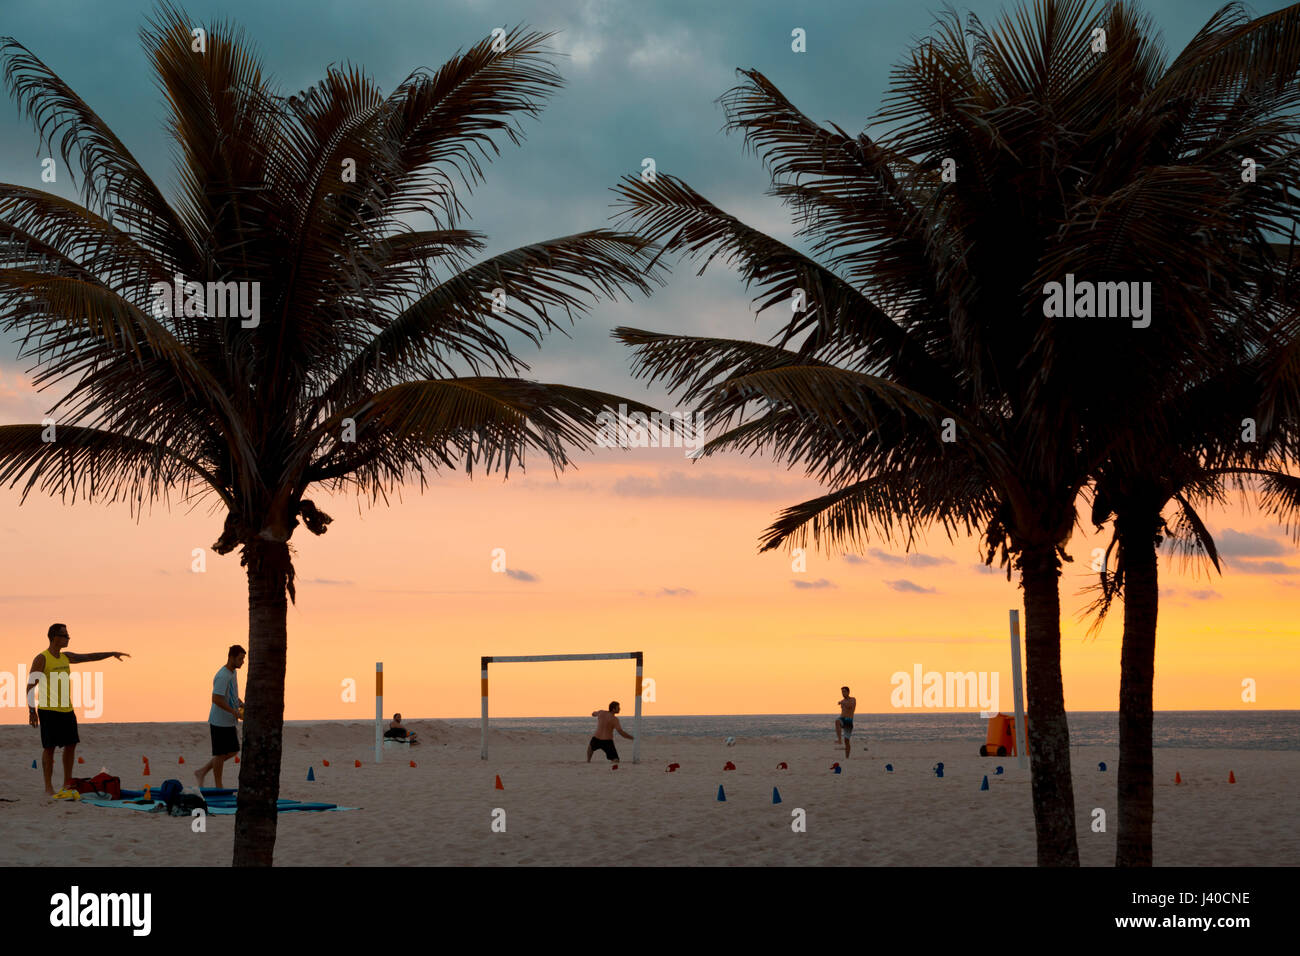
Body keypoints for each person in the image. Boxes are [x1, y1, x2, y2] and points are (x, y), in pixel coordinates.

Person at [26, 623, 129, 795]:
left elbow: (89, 656)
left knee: (71, 745)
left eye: (68, 635)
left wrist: (111, 653)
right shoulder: (42, 658)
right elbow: (30, 685)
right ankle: (48, 787)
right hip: (48, 710)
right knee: (49, 748)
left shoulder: (66, 657)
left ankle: (68, 783)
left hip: (67, 710)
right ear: (54, 637)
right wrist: (31, 710)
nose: (68, 638)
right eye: (64, 635)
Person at [195, 645, 245, 789]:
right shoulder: (223, 675)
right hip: (219, 721)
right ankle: (218, 786)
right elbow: (216, 699)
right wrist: (234, 712)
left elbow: (230, 694)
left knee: (233, 751)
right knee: (220, 753)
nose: (242, 662)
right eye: (240, 659)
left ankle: (202, 771)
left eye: (243, 659)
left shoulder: (233, 673)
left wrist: (240, 703)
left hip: (228, 721)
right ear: (231, 658)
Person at [835, 686, 857, 758]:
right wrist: (842, 702)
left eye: (844, 692)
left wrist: (842, 703)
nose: (843, 693)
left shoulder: (853, 699)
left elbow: (850, 706)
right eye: (842, 692)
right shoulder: (843, 701)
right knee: (837, 721)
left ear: (848, 692)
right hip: (842, 718)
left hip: (849, 720)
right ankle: (839, 740)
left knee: (847, 741)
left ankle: (847, 757)